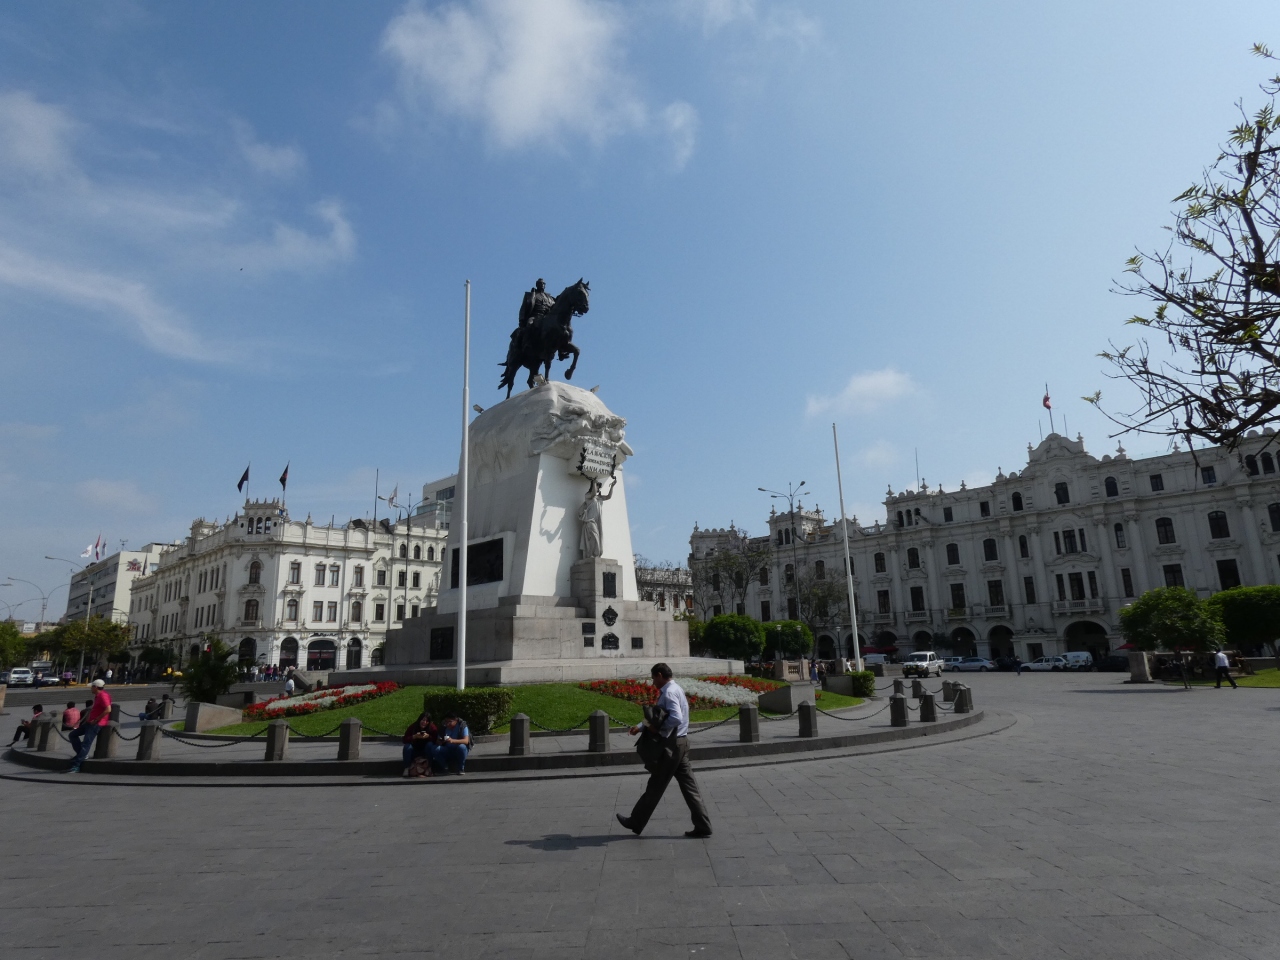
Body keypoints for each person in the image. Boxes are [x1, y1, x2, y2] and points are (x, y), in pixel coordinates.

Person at [616, 663, 713, 838]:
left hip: (672, 747)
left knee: (656, 785)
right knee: (690, 787)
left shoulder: (668, 693)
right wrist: (641, 726)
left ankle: (636, 821)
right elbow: (661, 715)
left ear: (660, 675)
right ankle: (703, 825)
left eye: (653, 678)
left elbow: (675, 717)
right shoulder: (676, 689)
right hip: (681, 743)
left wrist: (657, 730)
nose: (653, 682)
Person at [68, 679, 111, 773]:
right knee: (72, 735)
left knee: (86, 743)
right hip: (90, 722)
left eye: (92, 686)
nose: (91, 688)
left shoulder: (103, 696)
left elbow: (108, 709)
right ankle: (82, 755)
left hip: (96, 724)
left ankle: (76, 765)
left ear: (96, 687)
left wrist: (96, 720)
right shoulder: (98, 696)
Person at [402, 712, 438, 778]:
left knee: (430, 745)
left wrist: (428, 737)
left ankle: (429, 767)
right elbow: (404, 739)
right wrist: (414, 737)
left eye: (427, 721)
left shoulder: (432, 727)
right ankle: (406, 768)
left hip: (426, 751)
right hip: (414, 749)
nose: (424, 722)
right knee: (407, 747)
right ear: (419, 720)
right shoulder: (413, 727)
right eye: (423, 720)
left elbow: (436, 740)